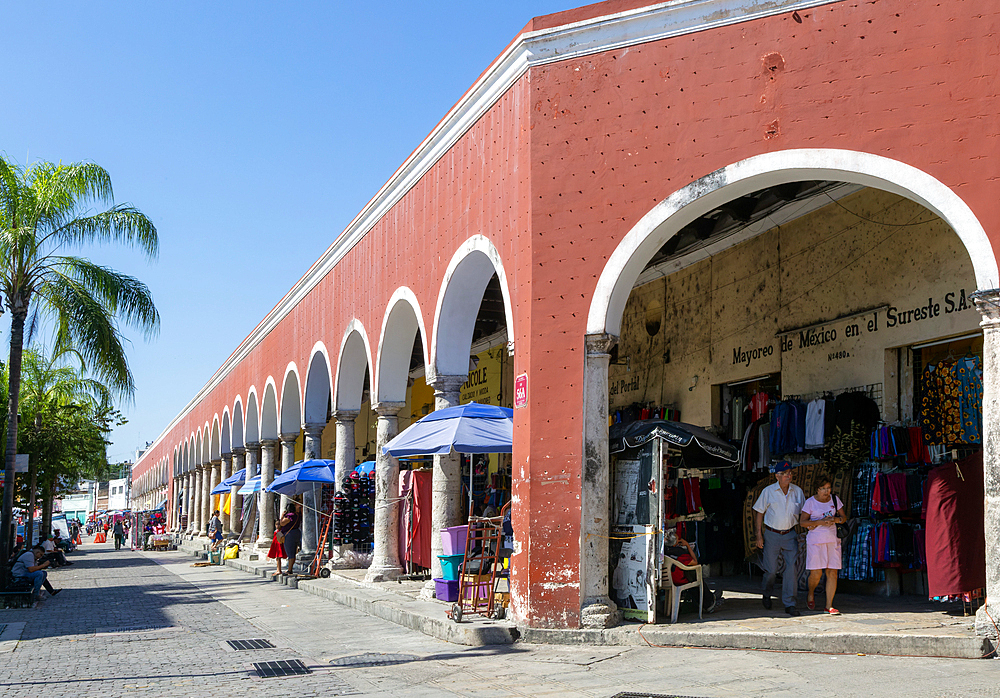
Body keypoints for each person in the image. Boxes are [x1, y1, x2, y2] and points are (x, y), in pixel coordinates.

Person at [753, 460, 805, 616]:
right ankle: (767, 593)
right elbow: (759, 512)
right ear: (777, 476)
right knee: (771, 570)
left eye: (790, 473)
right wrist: (759, 535)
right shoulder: (768, 492)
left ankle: (790, 604)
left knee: (791, 569)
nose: (789, 476)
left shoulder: (797, 491)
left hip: (790, 534)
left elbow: (805, 512)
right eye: (785, 473)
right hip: (771, 534)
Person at [799, 475, 846, 615]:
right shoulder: (810, 502)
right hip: (816, 541)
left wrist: (835, 519)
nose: (826, 492)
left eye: (828, 488)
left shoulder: (835, 500)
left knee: (832, 572)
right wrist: (820, 522)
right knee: (816, 573)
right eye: (823, 489)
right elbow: (802, 522)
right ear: (817, 489)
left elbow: (843, 518)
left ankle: (829, 605)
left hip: (832, 540)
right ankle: (811, 592)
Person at [663, 529, 721, 613]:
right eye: (678, 539)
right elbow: (695, 562)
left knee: (693, 576)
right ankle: (710, 602)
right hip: (679, 580)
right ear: (675, 542)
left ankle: (711, 598)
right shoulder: (680, 553)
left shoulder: (664, 552)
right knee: (696, 576)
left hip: (667, 580)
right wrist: (687, 545)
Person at [268, 506, 299, 579]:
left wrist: (282, 516)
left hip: (290, 535)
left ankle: (289, 570)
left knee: (290, 552)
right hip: (296, 533)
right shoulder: (297, 515)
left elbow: (282, 523)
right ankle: (290, 569)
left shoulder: (290, 516)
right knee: (293, 552)